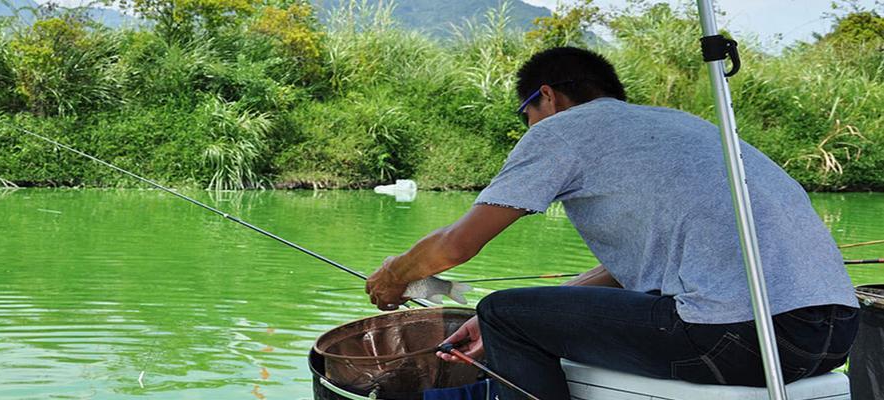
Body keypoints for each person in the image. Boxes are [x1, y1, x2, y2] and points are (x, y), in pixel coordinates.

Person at [365, 46, 859, 399]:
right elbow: (632, 273)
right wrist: (519, 318)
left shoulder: (561, 131)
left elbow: (456, 246)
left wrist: (393, 276)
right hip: (833, 336)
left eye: (526, 113)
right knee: (505, 317)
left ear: (547, 97)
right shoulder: (686, 126)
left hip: (739, 338)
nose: (529, 126)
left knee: (501, 311)